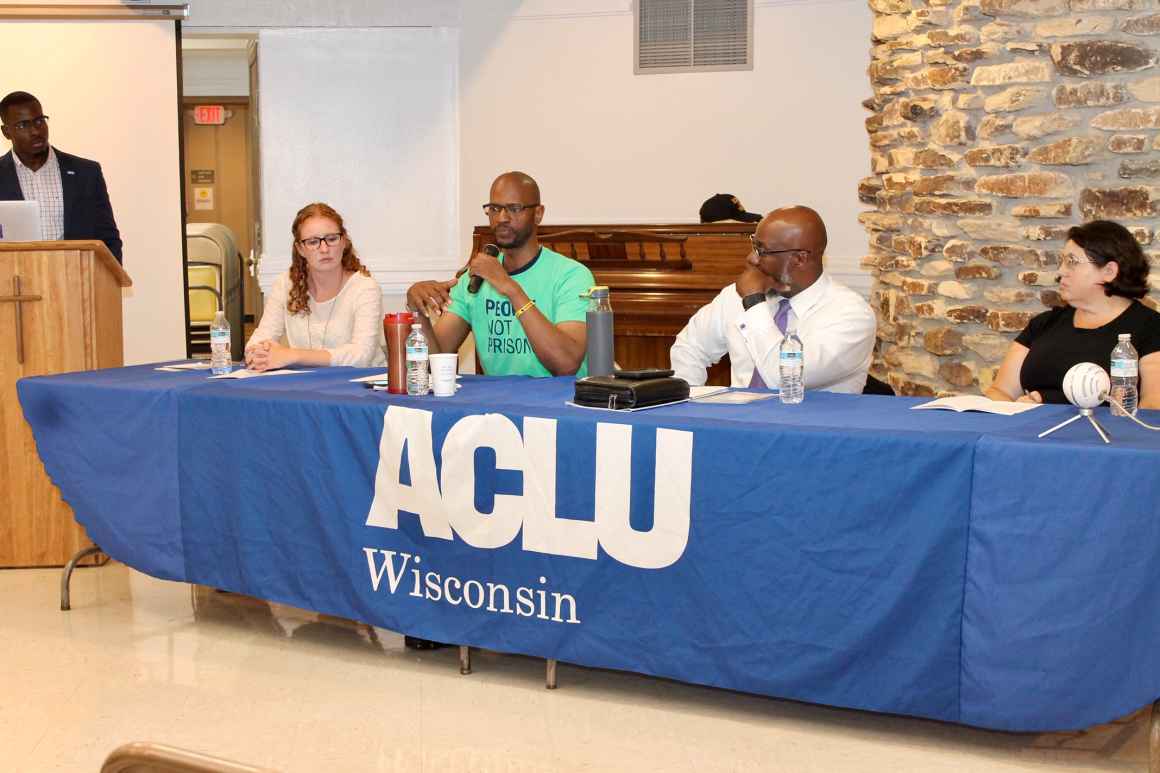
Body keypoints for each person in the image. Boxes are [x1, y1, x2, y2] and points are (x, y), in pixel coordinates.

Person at [405, 171, 594, 377]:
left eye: (514, 208)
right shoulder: (474, 278)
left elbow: (565, 364)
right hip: (497, 405)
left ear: (538, 213)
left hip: (556, 404)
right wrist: (417, 312)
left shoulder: (572, 276)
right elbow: (434, 364)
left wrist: (511, 288)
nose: (502, 218)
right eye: (495, 209)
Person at [670, 205, 876, 393]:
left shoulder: (851, 314)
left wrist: (753, 303)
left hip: (808, 430)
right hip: (737, 425)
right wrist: (690, 400)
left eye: (762, 251)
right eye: (754, 246)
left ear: (800, 258)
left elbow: (784, 378)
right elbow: (690, 346)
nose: (752, 258)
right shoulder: (738, 295)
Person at [985, 220, 1160, 408]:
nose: (1060, 271)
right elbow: (1000, 391)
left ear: (1109, 271)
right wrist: (1018, 410)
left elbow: (1154, 405)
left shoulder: (1151, 328)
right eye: (1062, 262)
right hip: (1030, 433)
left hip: (1105, 435)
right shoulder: (1044, 324)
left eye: (1072, 262)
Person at [245, 202, 385, 371]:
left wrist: (293, 355)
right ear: (300, 249)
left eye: (332, 239)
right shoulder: (285, 284)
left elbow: (361, 355)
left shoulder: (365, 288)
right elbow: (260, 339)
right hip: (308, 384)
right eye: (313, 242)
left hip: (361, 386)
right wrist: (257, 354)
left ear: (344, 242)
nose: (324, 249)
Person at [0, 91, 122, 262]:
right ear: (6, 132)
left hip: (75, 282)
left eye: (39, 121)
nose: (35, 131)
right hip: (16, 283)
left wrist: (108, 285)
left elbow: (108, 239)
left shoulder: (86, 173)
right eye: (23, 125)